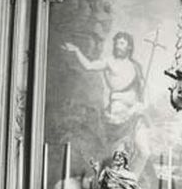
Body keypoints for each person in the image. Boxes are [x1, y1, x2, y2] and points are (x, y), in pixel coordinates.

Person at [62, 31, 152, 172]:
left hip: (136, 111)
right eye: (116, 42)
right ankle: (115, 184)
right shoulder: (109, 62)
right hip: (118, 113)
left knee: (144, 152)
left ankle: (131, 182)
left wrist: (142, 104)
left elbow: (143, 89)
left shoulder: (135, 66)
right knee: (119, 156)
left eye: (122, 43)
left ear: (129, 47)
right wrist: (77, 51)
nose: (117, 45)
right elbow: (89, 66)